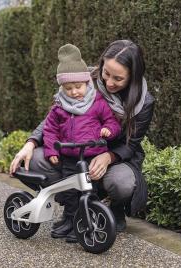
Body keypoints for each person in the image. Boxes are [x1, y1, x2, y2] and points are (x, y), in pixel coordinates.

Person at [10, 40, 155, 243]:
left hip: (115, 156)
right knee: (34, 160)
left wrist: (108, 156)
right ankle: (74, 208)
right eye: (106, 73)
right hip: (75, 150)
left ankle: (113, 208)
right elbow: (55, 116)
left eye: (118, 78)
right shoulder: (84, 79)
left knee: (122, 182)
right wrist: (31, 143)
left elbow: (132, 144)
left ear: (133, 76)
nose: (109, 82)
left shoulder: (144, 101)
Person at [43, 44, 121, 240]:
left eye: (78, 87)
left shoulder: (97, 103)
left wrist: (108, 130)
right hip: (69, 157)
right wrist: (51, 150)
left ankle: (85, 222)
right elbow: (50, 129)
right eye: (68, 88)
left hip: (91, 156)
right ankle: (70, 220)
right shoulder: (59, 107)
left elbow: (112, 122)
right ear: (62, 87)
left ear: (87, 83)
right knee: (70, 192)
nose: (74, 92)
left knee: (89, 191)